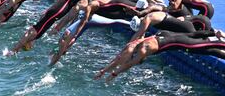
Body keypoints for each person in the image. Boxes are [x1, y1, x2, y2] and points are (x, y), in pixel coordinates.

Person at [94, 30, 225, 82]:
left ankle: (219, 38)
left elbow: (128, 64)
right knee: (198, 41)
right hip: (168, 35)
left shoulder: (142, 51)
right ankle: (214, 33)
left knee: (204, 46)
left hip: (177, 42)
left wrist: (113, 75)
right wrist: (103, 71)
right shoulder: (132, 45)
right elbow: (118, 60)